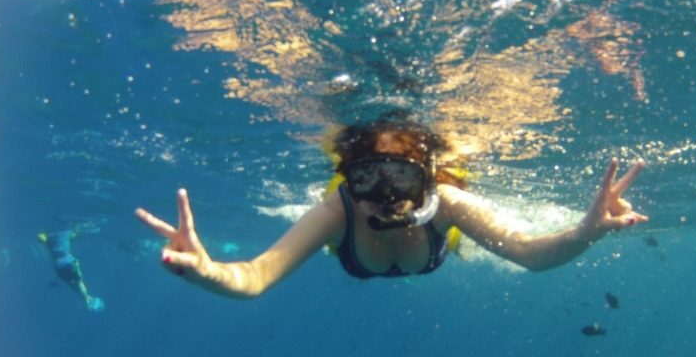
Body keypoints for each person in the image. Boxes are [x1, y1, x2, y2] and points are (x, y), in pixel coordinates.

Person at [135, 120, 647, 298]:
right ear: (350, 178)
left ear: (424, 175)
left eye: (401, 174)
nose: (386, 192)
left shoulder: (444, 200)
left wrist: (587, 231)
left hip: (440, 236)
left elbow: (529, 253)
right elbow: (256, 277)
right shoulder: (338, 210)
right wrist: (206, 272)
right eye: (368, 176)